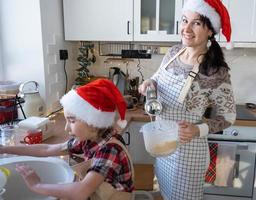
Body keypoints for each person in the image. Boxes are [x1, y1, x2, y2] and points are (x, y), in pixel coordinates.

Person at [138, 0, 236, 199]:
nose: (187, 29)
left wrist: (197, 129)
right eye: (185, 21)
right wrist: (149, 84)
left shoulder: (215, 70)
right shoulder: (174, 52)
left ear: (210, 30)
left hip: (187, 154)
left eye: (197, 23)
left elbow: (229, 116)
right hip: (163, 147)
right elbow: (157, 80)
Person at [0, 79, 134, 200]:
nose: (66, 128)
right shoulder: (90, 139)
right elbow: (48, 148)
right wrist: (4, 149)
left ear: (92, 122)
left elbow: (81, 191)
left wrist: (37, 185)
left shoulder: (109, 150)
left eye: (72, 121)